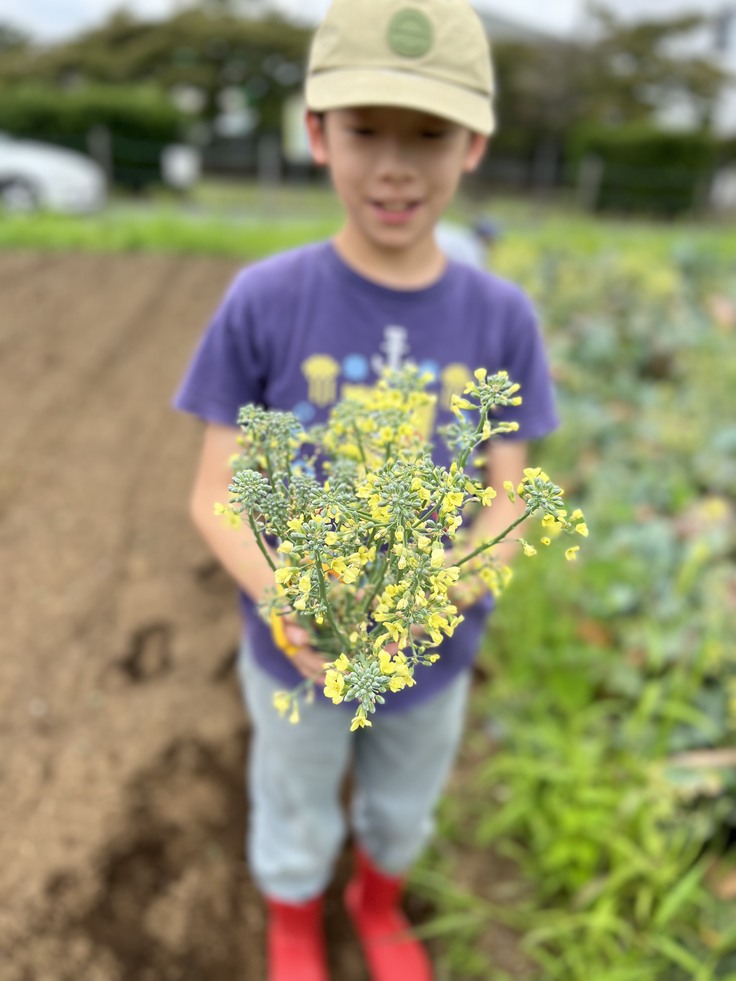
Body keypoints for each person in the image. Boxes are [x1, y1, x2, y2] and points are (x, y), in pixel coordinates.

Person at [174, 1, 558, 978]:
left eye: (429, 134)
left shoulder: (499, 316)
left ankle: (378, 900)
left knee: (403, 803)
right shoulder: (264, 300)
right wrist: (288, 599)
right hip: (290, 650)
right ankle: (295, 916)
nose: (396, 165)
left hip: (435, 654)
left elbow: (511, 492)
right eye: (364, 131)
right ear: (315, 134)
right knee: (295, 794)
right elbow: (217, 490)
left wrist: (447, 586)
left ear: (473, 145)